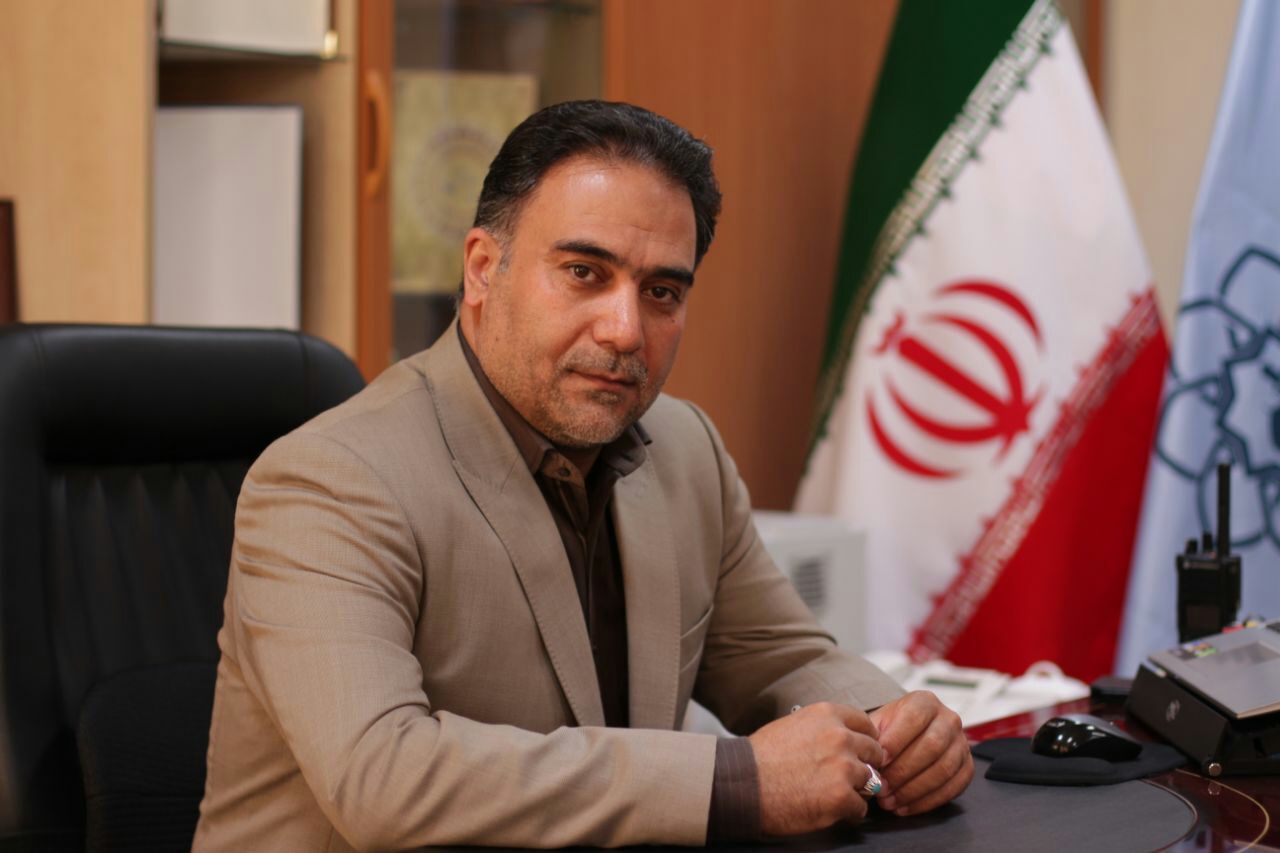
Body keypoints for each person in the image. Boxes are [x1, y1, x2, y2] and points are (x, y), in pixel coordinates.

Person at [193, 100, 972, 852]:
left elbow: (782, 659)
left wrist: (894, 725)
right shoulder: (330, 480)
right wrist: (735, 781)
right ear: (482, 269)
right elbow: (382, 776)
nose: (626, 330)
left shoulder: (686, 447)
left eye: (661, 291)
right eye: (583, 272)